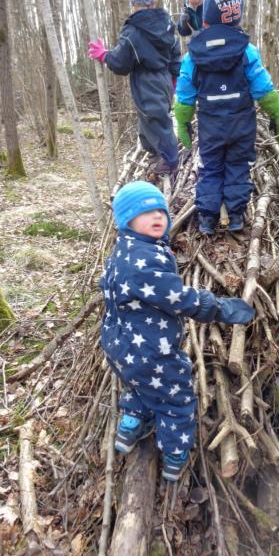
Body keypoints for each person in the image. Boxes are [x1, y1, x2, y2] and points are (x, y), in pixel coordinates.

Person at [100, 180, 255, 482]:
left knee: (139, 383)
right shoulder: (144, 261)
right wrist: (219, 308)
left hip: (119, 344)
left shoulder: (124, 250)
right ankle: (174, 454)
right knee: (176, 398)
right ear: (126, 220)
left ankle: (131, 425)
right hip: (151, 350)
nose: (157, 217)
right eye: (145, 213)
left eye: (160, 211)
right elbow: (178, 298)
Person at [174, 0, 279, 234]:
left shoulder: (194, 55)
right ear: (237, 17)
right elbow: (263, 88)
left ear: (205, 19)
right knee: (237, 167)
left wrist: (183, 122)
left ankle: (207, 219)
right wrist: (275, 114)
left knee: (210, 168)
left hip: (211, 126)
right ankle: (235, 216)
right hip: (241, 125)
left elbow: (184, 93)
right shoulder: (247, 51)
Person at [88, 0, 180, 175]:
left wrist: (104, 55)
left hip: (148, 85)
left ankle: (170, 161)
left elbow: (121, 63)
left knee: (155, 120)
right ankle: (156, 154)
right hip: (164, 81)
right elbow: (175, 52)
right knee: (149, 122)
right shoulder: (166, 24)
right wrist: (173, 79)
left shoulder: (134, 32)